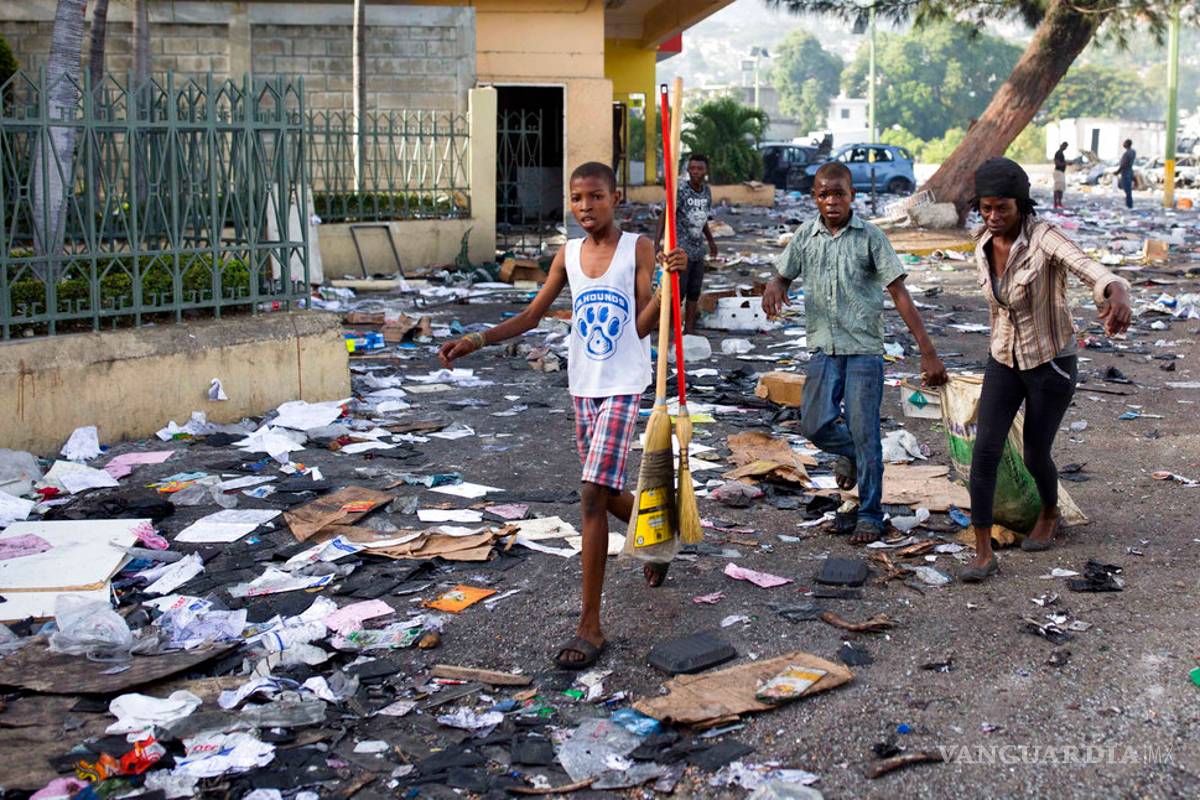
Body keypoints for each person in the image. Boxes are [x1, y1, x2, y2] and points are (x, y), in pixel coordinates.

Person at [439, 162, 686, 669]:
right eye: (577, 198)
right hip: (583, 387)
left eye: (595, 197)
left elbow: (641, 327)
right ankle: (660, 533)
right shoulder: (568, 255)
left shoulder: (637, 248)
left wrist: (666, 290)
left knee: (592, 494)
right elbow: (532, 315)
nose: (585, 207)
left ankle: (590, 625)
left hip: (624, 384)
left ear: (615, 197)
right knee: (608, 491)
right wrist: (476, 340)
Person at [961, 158, 1132, 582]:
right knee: (985, 451)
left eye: (1003, 208)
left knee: (1036, 451)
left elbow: (1088, 267)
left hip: (1050, 361)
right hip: (1002, 357)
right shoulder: (980, 239)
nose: (994, 217)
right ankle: (983, 553)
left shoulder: (1044, 239)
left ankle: (1050, 510)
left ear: (1021, 205)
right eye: (986, 208)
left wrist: (1117, 290)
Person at [761, 162, 947, 545]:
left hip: (863, 351)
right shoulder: (805, 236)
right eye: (824, 194)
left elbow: (900, 294)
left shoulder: (871, 238)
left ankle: (869, 514)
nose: (831, 201)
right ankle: (849, 453)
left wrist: (927, 351)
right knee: (814, 425)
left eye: (839, 194)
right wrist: (775, 284)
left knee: (866, 433)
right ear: (815, 196)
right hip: (823, 349)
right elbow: (784, 272)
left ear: (852, 196)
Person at [656, 153, 717, 334]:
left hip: (698, 250)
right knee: (677, 292)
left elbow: (702, 218)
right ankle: (671, 331)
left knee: (694, 292)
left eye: (699, 168)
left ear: (706, 171)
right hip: (680, 250)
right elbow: (665, 215)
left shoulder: (706, 192)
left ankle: (689, 330)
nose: (695, 172)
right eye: (692, 168)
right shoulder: (681, 190)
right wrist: (656, 244)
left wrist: (711, 241)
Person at [1117, 138, 1136, 209]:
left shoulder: (1127, 153)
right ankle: (1129, 203)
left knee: (1127, 189)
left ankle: (1129, 204)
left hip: (1125, 172)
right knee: (1128, 189)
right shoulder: (1133, 152)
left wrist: (1117, 172)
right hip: (1130, 172)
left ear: (1127, 144)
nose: (1123, 144)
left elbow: (1124, 164)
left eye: (1124, 143)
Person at [1052, 142, 1068, 209]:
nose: (1065, 148)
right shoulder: (1058, 153)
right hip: (1058, 172)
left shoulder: (1061, 153)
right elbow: (1057, 163)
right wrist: (1065, 163)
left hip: (1061, 172)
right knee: (1057, 189)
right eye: (1064, 146)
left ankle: (1059, 203)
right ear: (1061, 145)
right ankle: (1056, 203)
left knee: (1060, 189)